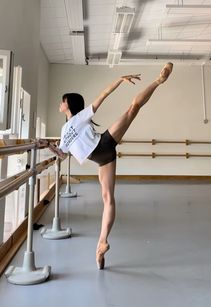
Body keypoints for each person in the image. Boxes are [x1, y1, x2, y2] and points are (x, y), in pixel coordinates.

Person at [48, 62, 173, 269]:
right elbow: (62, 154)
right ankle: (102, 242)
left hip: (104, 143)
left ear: (68, 103)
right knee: (108, 199)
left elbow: (103, 96)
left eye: (62, 101)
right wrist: (50, 147)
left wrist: (119, 79)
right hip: (103, 158)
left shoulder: (81, 116)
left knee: (133, 108)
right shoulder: (63, 131)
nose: (60, 104)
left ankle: (159, 80)